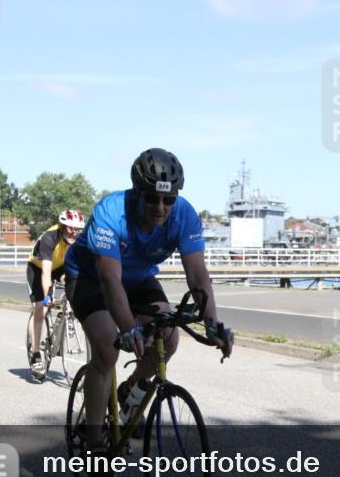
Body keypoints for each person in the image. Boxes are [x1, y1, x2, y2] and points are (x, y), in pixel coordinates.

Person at [65, 148, 232, 451]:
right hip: (90, 278)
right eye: (152, 198)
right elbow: (109, 280)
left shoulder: (184, 215)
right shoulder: (111, 212)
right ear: (137, 193)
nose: (160, 207)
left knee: (168, 337)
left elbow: (198, 276)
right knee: (107, 349)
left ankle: (129, 391)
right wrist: (129, 329)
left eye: (168, 200)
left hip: (139, 278)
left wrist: (212, 326)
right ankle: (94, 441)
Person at [26, 209, 86, 379]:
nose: (74, 233)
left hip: (60, 267)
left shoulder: (79, 239)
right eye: (71, 229)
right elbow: (46, 273)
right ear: (62, 226)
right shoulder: (50, 238)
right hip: (38, 268)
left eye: (78, 229)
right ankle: (35, 353)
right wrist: (47, 295)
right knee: (41, 308)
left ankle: (64, 317)